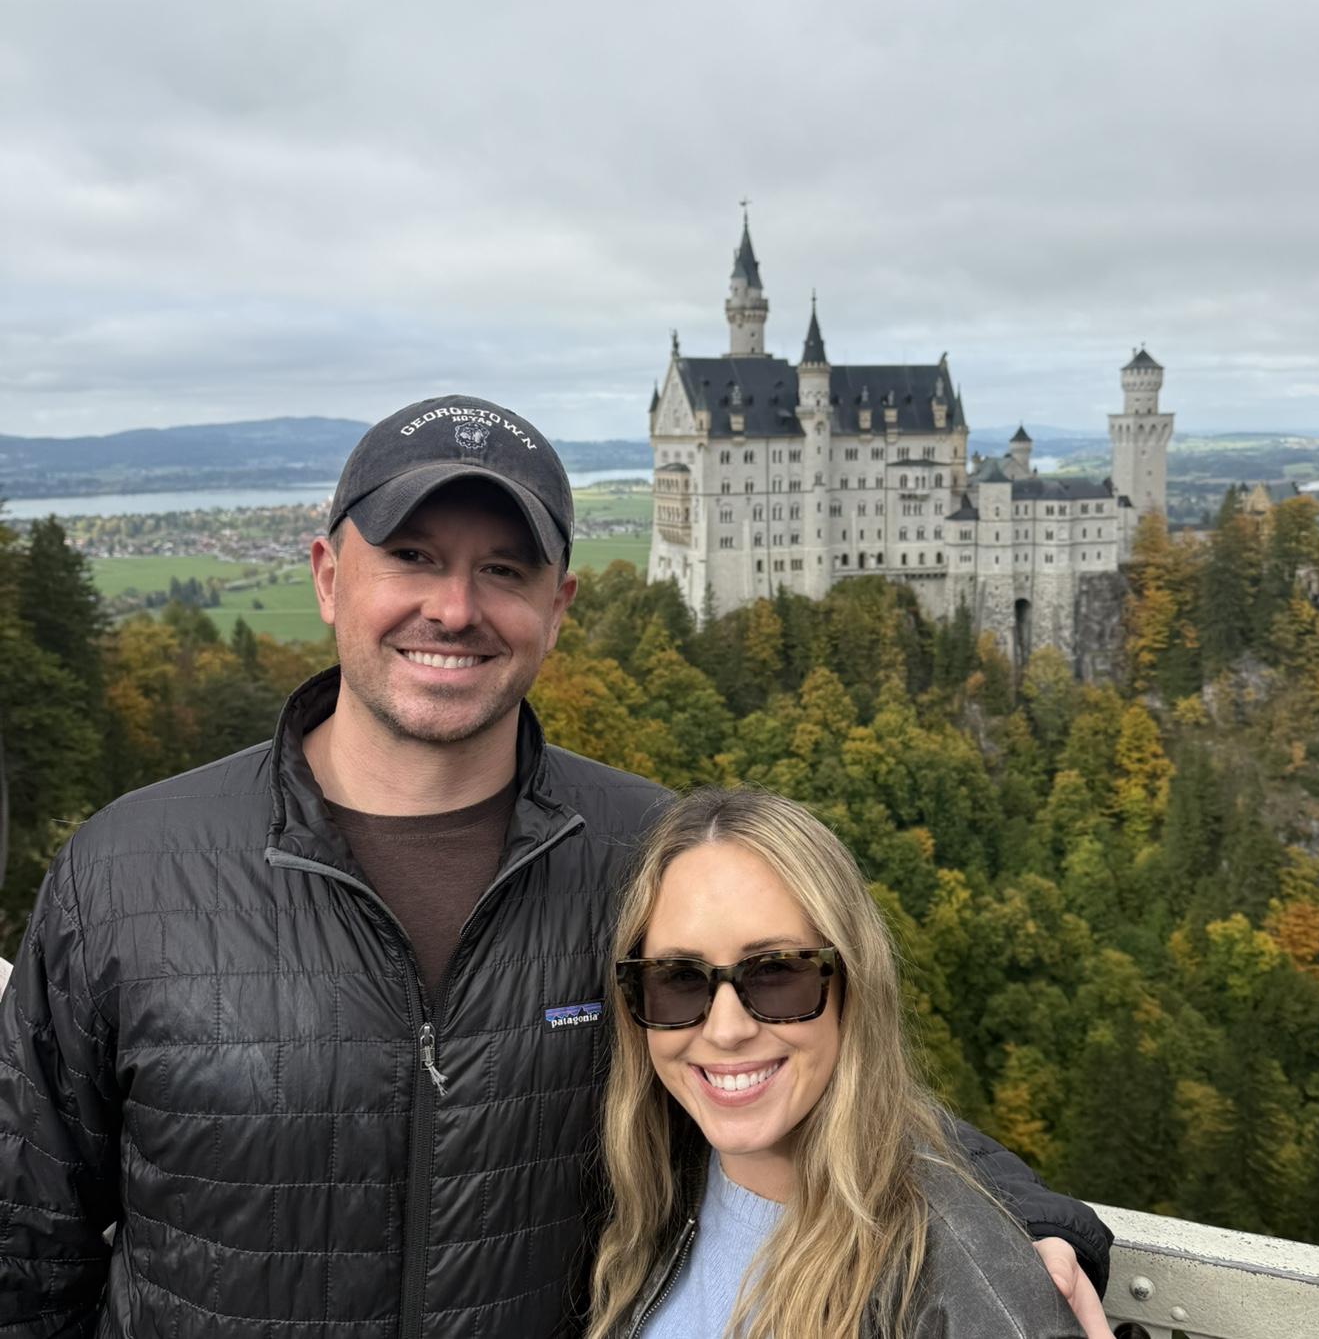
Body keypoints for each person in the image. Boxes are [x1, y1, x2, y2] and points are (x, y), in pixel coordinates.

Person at [0, 395, 1112, 1338]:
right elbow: (26, 1241)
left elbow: (814, 1054)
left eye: (505, 570)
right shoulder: (132, 873)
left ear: (558, 608)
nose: (455, 608)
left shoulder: (641, 856)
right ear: (328, 575)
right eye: (414, 559)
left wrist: (1025, 1216)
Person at [589, 787, 1084, 1339]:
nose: (726, 1030)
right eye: (679, 978)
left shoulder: (952, 1280)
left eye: (776, 973)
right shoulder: (656, 1186)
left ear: (853, 984)